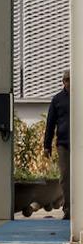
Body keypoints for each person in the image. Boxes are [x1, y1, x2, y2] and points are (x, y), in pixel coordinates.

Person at [44, 71, 70, 221]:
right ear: (63, 82)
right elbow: (50, 124)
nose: (69, 82)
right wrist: (46, 145)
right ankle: (68, 210)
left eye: (71, 80)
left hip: (79, 144)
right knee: (65, 178)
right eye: (66, 80)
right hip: (64, 144)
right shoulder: (57, 100)